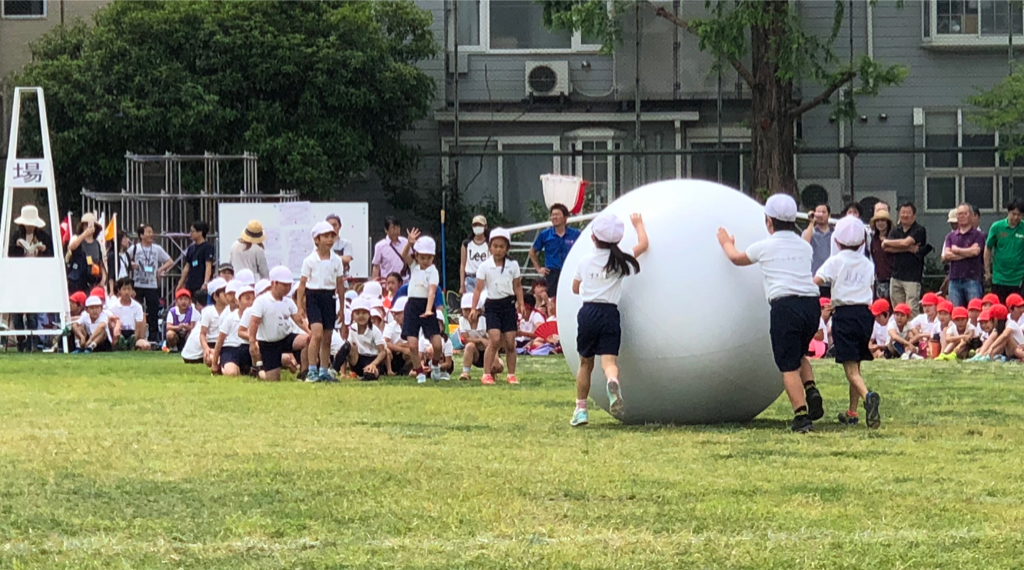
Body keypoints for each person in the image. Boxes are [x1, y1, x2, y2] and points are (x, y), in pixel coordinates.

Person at [718, 194, 823, 433]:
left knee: (788, 365)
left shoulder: (764, 247)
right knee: (799, 353)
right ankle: (811, 389)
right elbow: (805, 240)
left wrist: (726, 242)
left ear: (769, 222)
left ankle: (801, 416)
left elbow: (736, 258)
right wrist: (809, 226)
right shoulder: (804, 247)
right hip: (811, 305)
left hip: (785, 306)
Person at [569, 212, 649, 427]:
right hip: (610, 313)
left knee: (585, 363)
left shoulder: (585, 261)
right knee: (609, 362)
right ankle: (612, 381)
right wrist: (638, 224)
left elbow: (575, 288)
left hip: (588, 313)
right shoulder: (620, 261)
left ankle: (581, 410)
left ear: (593, 238)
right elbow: (643, 244)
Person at [813, 215, 882, 428]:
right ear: (862, 242)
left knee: (850, 369)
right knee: (857, 365)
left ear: (837, 240)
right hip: (864, 315)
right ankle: (852, 412)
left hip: (844, 315)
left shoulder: (835, 261)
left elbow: (816, 280)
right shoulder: (868, 264)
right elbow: (870, 289)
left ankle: (868, 397)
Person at [470, 228, 524, 386]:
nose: (498, 249)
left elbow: (517, 286)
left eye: (502, 246)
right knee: (494, 339)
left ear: (507, 248)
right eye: (495, 246)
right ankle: (486, 374)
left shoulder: (513, 265)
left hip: (508, 304)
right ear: (490, 247)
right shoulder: (485, 266)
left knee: (510, 342)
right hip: (492, 305)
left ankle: (511, 374)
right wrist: (473, 308)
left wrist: (520, 303)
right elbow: (478, 289)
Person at [297, 222, 345, 383]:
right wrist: (299, 307)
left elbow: (340, 284)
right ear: (316, 239)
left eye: (332, 236)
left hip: (329, 297)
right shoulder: (310, 260)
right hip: (314, 296)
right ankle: (312, 370)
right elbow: (302, 284)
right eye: (325, 236)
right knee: (316, 334)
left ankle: (324, 370)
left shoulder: (336, 260)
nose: (330, 239)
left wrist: (342, 307)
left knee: (327, 336)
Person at [249, 266, 310, 381]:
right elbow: (254, 322)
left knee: (308, 339)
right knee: (273, 379)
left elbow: (298, 320)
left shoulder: (288, 302)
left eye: (289, 285)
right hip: (269, 343)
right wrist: (252, 342)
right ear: (274, 283)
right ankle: (260, 372)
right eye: (284, 285)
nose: (287, 288)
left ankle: (304, 372)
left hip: (285, 338)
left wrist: (309, 332)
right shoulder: (261, 301)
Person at [399, 230, 445, 383]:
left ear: (433, 258)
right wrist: (409, 243)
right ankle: (419, 371)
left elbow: (432, 291)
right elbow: (403, 255)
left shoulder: (433, 271)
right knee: (412, 344)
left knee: (437, 344)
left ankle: (435, 364)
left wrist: (429, 309)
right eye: (422, 257)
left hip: (427, 305)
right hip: (412, 305)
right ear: (417, 256)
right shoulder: (414, 266)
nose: (425, 261)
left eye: (429, 258)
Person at [8, 205, 54, 352]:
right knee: (17, 312)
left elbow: (51, 256)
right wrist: (18, 247)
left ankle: (33, 342)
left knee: (32, 313)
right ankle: (21, 340)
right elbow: (9, 255)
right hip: (18, 278)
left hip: (35, 278)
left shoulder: (43, 237)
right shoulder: (16, 236)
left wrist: (43, 250)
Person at [529, 204, 581, 317]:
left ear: (565, 217)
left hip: (569, 272)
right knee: (552, 301)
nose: (554, 217)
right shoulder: (545, 234)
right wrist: (538, 268)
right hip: (552, 272)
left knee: (570, 298)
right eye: (552, 215)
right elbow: (532, 252)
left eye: (557, 215)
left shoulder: (575, 234)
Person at [127, 224, 174, 342]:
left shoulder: (157, 248)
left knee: (153, 311)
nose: (151, 235)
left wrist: (160, 269)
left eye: (151, 232)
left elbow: (170, 261)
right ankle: (136, 336)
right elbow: (124, 259)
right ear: (141, 235)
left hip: (152, 284)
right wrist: (131, 264)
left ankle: (153, 338)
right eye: (148, 232)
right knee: (136, 310)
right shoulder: (135, 248)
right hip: (137, 284)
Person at [884, 202, 927, 316]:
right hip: (896, 275)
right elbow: (885, 247)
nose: (905, 215)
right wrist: (907, 249)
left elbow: (906, 242)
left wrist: (893, 243)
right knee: (898, 310)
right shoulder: (895, 230)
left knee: (912, 310)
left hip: (912, 277)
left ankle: (913, 328)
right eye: (903, 212)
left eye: (908, 213)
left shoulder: (919, 230)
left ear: (914, 215)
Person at [942, 203, 986, 307]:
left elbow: (975, 252)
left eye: (965, 213)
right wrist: (967, 252)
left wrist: (956, 250)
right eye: (959, 214)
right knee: (955, 312)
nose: (962, 216)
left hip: (973, 279)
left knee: (974, 310)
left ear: (971, 216)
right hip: (954, 280)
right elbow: (947, 255)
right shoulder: (950, 236)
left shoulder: (979, 235)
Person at [211, 283, 256, 377]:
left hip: (248, 350)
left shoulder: (257, 318)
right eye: (247, 299)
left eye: (253, 299)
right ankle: (222, 366)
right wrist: (214, 363)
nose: (251, 302)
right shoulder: (230, 317)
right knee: (232, 373)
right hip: (230, 349)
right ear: (238, 301)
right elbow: (220, 340)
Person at [335, 299, 385, 380]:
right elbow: (346, 349)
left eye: (364, 313)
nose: (361, 316)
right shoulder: (352, 328)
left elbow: (382, 352)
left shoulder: (375, 330)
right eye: (357, 313)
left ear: (369, 315)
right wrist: (343, 373)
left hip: (372, 359)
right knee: (347, 345)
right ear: (353, 315)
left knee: (370, 375)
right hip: (357, 359)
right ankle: (334, 370)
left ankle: (368, 374)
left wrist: (373, 364)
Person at [985, 199, 1024, 300]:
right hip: (999, 278)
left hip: (1019, 278)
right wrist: (987, 272)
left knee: (1017, 307)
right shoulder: (996, 227)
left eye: (1019, 215)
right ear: (1008, 212)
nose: (1016, 217)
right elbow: (988, 248)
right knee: (999, 307)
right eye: (1013, 214)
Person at [67, 213, 106, 294]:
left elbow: (101, 263)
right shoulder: (76, 238)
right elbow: (71, 247)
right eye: (85, 225)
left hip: (92, 280)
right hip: (77, 280)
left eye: (90, 225)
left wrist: (103, 280)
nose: (88, 227)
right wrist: (84, 235)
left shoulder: (97, 244)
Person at [178, 220, 216, 305]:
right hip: (191, 283)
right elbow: (187, 266)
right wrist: (180, 283)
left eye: (192, 231)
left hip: (201, 284)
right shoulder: (191, 248)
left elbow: (208, 265)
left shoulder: (208, 247)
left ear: (200, 232)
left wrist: (205, 283)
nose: (190, 234)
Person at [108, 277, 150, 351]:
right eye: (124, 289)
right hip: (119, 334)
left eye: (129, 289)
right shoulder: (113, 306)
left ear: (132, 291)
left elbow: (138, 326)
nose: (127, 292)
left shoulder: (137, 307)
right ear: (119, 290)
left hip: (132, 333)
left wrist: (134, 339)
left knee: (146, 345)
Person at [802, 203, 833, 297]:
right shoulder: (810, 232)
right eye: (818, 212)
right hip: (814, 280)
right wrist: (811, 222)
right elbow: (805, 243)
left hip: (831, 282)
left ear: (829, 215)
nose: (820, 215)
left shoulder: (834, 233)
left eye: (823, 212)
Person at [371, 216, 408, 283]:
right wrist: (375, 283)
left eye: (397, 227)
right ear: (386, 230)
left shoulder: (405, 242)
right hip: (388, 282)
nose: (396, 230)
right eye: (393, 228)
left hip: (404, 281)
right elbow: (376, 266)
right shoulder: (380, 246)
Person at [460, 215, 490, 295]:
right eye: (475, 225)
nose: (477, 227)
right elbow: (463, 264)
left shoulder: (489, 244)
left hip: (484, 279)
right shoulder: (466, 244)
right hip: (470, 278)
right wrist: (462, 285)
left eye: (480, 225)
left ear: (485, 227)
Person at [868, 209, 894, 301]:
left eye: (883, 220)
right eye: (877, 221)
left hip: (892, 278)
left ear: (887, 223)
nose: (880, 223)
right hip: (878, 278)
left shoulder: (893, 238)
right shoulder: (873, 240)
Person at [325, 214, 354, 279]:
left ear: (340, 226)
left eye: (334, 225)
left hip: (343, 277)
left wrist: (329, 257)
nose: (332, 227)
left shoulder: (346, 243)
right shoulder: (321, 243)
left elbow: (347, 259)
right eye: (329, 225)